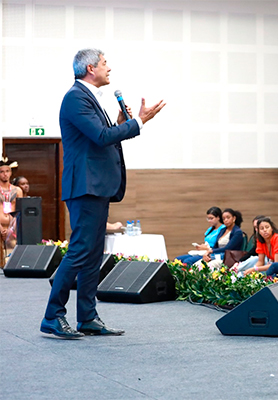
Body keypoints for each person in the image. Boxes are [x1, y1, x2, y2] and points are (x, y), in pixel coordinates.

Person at [41, 48, 165, 338]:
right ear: (90, 68)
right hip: (85, 186)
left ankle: (87, 317)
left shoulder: (89, 97)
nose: (109, 68)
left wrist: (121, 124)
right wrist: (139, 122)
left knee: (93, 254)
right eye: (105, 63)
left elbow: (100, 139)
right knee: (80, 251)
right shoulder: (76, 97)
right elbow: (100, 137)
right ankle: (52, 316)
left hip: (95, 187)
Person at [0, 157, 23, 252]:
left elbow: (20, 211)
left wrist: (12, 229)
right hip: (0, 226)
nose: (5, 174)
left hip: (13, 229)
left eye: (7, 171)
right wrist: (1, 229)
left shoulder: (17, 190)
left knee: (11, 254)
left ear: (11, 173)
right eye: (1, 172)